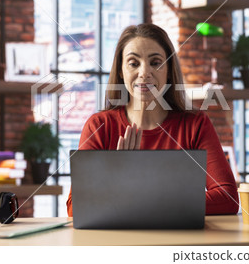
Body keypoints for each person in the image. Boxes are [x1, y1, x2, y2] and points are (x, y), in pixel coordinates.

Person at [66, 23, 239, 216]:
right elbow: (76, 207)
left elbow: (228, 198)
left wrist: (136, 198)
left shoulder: (195, 124)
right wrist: (115, 176)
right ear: (121, 71)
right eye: (133, 63)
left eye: (156, 63)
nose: (144, 73)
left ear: (168, 70)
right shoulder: (99, 126)